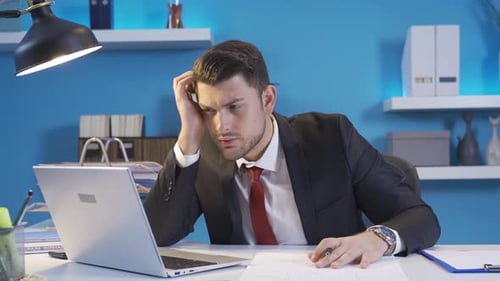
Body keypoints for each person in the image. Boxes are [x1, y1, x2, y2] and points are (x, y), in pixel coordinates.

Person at [144, 40, 441, 269]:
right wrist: (188, 136)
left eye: (234, 107)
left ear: (267, 99)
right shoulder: (205, 155)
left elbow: (421, 218)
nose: (222, 126)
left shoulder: (331, 137)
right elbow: (158, 234)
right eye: (209, 111)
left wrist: (377, 238)